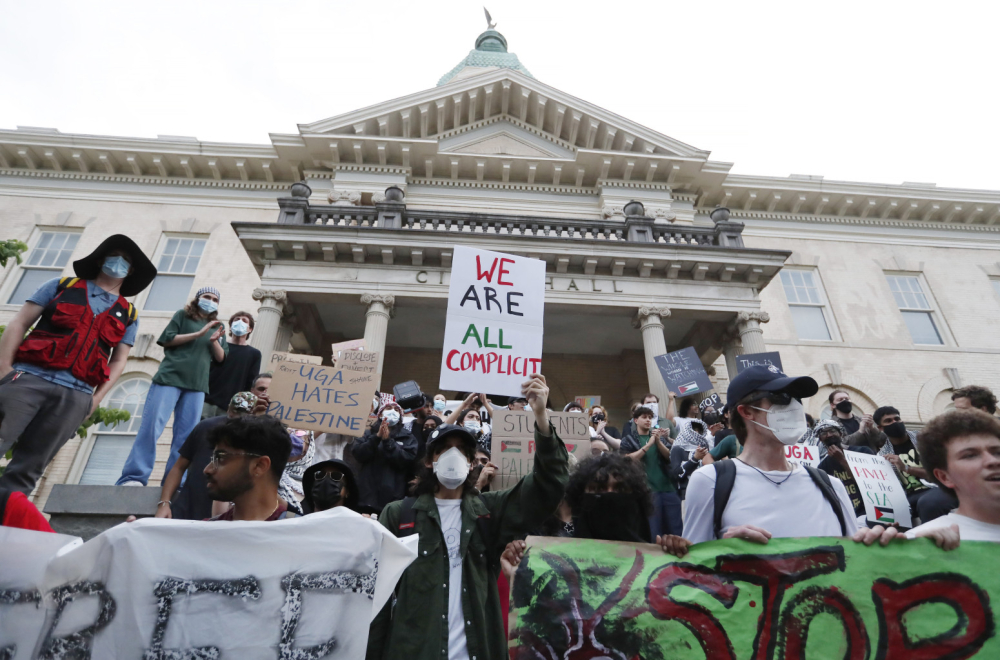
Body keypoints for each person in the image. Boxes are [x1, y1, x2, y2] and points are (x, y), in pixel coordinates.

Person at [367, 373, 569, 660]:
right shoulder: (399, 514)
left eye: (462, 450)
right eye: (444, 449)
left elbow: (548, 485)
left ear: (472, 461)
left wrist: (541, 417)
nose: (453, 456)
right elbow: (378, 599)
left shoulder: (490, 511)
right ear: (429, 460)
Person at [0, 235, 155, 493]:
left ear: (132, 270)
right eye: (114, 255)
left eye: (126, 260)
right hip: (28, 379)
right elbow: (19, 323)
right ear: (100, 260)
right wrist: (5, 370)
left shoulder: (129, 313)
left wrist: (95, 400)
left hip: (76, 396)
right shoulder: (60, 286)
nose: (118, 262)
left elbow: (119, 360)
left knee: (27, 471)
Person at [683, 365, 859, 544]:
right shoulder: (710, 482)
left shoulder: (831, 486)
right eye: (781, 397)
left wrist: (880, 544)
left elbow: (857, 561)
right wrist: (727, 553)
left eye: (796, 398)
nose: (794, 406)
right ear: (747, 411)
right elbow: (692, 566)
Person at [117, 286, 229, 486]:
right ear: (197, 298)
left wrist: (213, 340)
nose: (210, 300)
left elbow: (221, 357)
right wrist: (198, 334)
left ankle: (174, 482)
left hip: (196, 385)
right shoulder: (182, 316)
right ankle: (134, 477)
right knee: (152, 427)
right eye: (206, 297)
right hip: (170, 378)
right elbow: (167, 339)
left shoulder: (218, 327)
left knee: (186, 438)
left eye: (214, 299)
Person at [155, 391, 258, 521]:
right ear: (228, 409)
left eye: (242, 416)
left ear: (253, 415)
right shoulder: (206, 427)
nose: (237, 420)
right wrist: (164, 503)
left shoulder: (256, 439)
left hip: (226, 518)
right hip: (187, 511)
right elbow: (179, 467)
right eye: (234, 413)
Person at [874, 405, 956, 522]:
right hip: (908, 497)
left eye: (897, 419)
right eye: (888, 421)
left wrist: (906, 468)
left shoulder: (925, 439)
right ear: (880, 428)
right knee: (880, 516)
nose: (895, 422)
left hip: (939, 488)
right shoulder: (882, 456)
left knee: (927, 503)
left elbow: (942, 474)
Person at [205, 415, 294, 521]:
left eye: (221, 458)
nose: (207, 469)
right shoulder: (206, 532)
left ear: (259, 466)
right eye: (213, 459)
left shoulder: (298, 533)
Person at [622, 406, 683, 537]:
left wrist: (658, 442)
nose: (648, 420)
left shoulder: (658, 437)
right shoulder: (628, 440)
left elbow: (671, 458)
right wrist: (648, 445)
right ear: (635, 420)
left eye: (650, 417)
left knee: (676, 531)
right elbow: (626, 461)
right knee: (654, 533)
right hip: (647, 491)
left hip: (669, 489)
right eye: (644, 417)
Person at [353, 402, 418, 513]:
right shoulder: (367, 434)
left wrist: (388, 442)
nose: (392, 411)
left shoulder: (408, 437)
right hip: (367, 497)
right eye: (388, 408)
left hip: (393, 499)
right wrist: (376, 438)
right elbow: (359, 453)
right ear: (380, 414)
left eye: (396, 410)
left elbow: (406, 459)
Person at [813, 418, 874, 524]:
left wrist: (842, 460)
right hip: (845, 518)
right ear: (820, 439)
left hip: (869, 513)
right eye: (824, 433)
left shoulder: (863, 452)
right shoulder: (822, 467)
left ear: (841, 434)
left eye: (832, 431)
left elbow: (868, 484)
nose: (829, 435)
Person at [203, 311, 261, 419]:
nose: (240, 322)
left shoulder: (254, 354)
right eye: (236, 319)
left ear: (250, 329)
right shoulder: (218, 345)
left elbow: (251, 383)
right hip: (206, 400)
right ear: (230, 327)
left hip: (231, 406)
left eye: (244, 321)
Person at [278, 429, 315, 515]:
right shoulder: (265, 478)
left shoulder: (315, 484)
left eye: (298, 432)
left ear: (310, 445)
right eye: (286, 430)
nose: (291, 435)